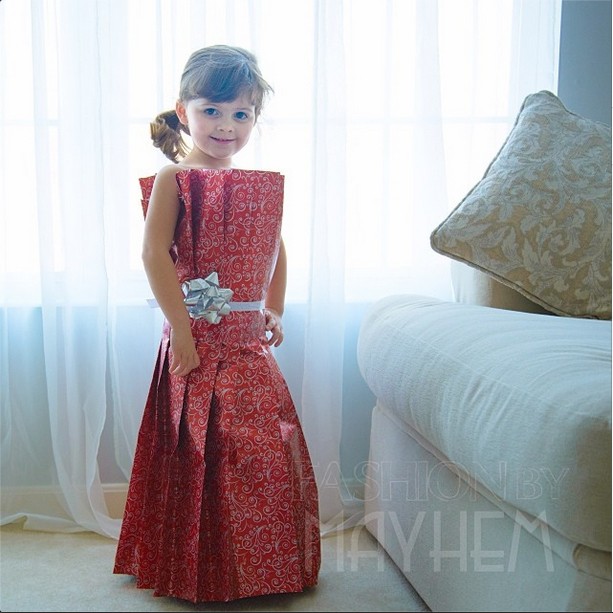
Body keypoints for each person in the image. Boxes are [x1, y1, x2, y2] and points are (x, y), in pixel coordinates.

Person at [113, 44, 321, 603]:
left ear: (254, 118)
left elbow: (275, 247)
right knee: (199, 448)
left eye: (240, 114)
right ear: (185, 111)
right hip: (197, 340)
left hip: (247, 341)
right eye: (212, 110)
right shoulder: (174, 178)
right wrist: (181, 331)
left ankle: (260, 566)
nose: (226, 126)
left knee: (259, 447)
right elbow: (154, 254)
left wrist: (275, 306)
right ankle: (197, 568)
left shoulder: (255, 183)